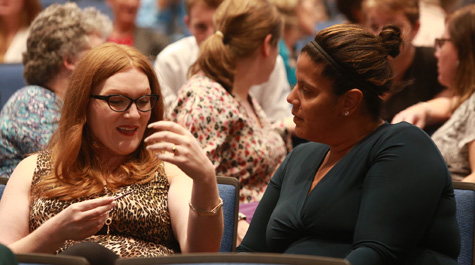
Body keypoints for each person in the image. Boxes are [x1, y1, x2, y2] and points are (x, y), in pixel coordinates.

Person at [237, 23, 460, 265]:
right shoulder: (300, 157)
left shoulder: (403, 147)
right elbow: (249, 252)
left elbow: (376, 254)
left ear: (350, 101)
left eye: (307, 91)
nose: (291, 98)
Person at [0, 43, 223, 265]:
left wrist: (205, 179)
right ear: (83, 104)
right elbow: (5, 256)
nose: (134, 115)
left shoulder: (169, 170)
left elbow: (201, 254)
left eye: (144, 101)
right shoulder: (33, 168)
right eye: (117, 101)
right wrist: (55, 233)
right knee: (87, 254)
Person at [0, 3, 112, 196]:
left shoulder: (69, 106)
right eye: (95, 55)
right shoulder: (31, 101)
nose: (106, 64)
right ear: (69, 61)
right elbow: (73, 171)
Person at [155, 0, 292, 122]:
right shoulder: (170, 61)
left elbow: (279, 118)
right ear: (188, 24)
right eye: (201, 27)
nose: (211, 37)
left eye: (218, 28)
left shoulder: (267, 61)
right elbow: (165, 124)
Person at [394, 4, 475, 182]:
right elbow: (454, 104)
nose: (436, 53)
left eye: (442, 43)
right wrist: (424, 109)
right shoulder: (468, 101)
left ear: (464, 50)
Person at [362, 0, 448, 131]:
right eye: (374, 26)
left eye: (393, 28)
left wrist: (425, 108)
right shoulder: (356, 65)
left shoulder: (434, 61)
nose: (382, 35)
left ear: (415, 28)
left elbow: (461, 95)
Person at [270, 0, 320, 89]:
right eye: (313, 7)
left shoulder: (294, 48)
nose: (317, 15)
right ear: (295, 10)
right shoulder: (275, 51)